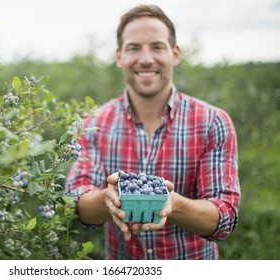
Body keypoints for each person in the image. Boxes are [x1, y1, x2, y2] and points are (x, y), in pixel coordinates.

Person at [65, 4, 240, 259]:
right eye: (134, 47)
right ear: (119, 56)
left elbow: (224, 216)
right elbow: (75, 203)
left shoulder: (213, 122)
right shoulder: (93, 124)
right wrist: (109, 199)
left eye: (157, 46)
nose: (146, 59)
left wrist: (174, 204)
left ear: (175, 53)